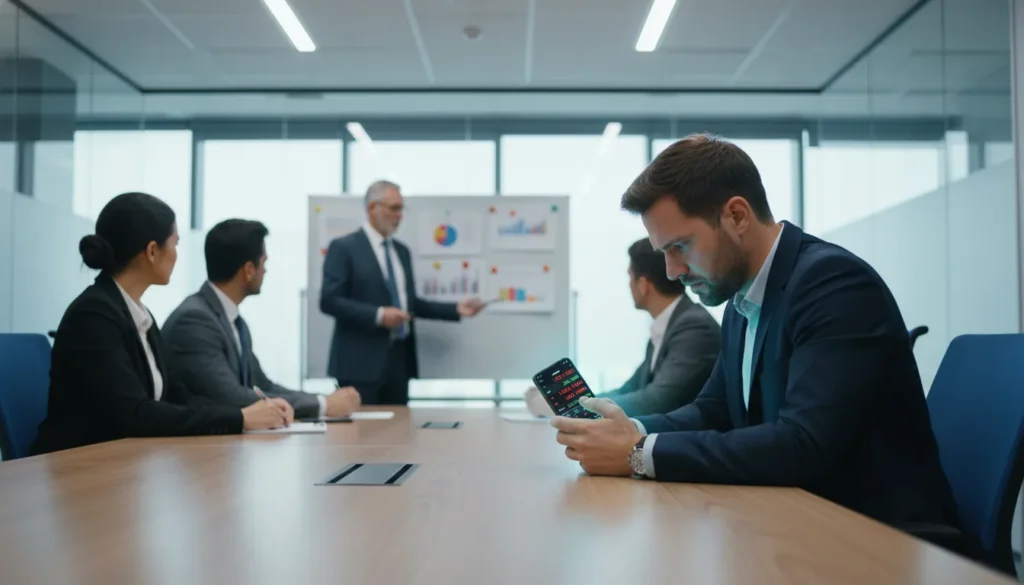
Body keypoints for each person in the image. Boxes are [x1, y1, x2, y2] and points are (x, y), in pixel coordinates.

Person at [550, 134, 959, 529]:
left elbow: (804, 444)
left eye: (680, 246)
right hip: (794, 519)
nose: (672, 272)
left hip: (875, 537)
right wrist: (630, 432)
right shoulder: (742, 300)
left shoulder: (833, 285)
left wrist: (637, 454)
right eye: (664, 254)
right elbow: (714, 409)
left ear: (737, 216)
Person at [31, 193, 290, 455]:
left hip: (126, 462)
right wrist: (240, 419)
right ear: (153, 251)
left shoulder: (138, 315)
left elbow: (179, 397)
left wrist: (242, 415)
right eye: (174, 244)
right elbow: (134, 413)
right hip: (81, 469)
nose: (176, 255)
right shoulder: (94, 316)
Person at [162, 219, 361, 420]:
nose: (265, 270)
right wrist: (323, 405)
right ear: (249, 270)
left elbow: (264, 386)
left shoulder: (233, 320)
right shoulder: (194, 321)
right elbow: (231, 396)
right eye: (264, 262)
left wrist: (322, 399)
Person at [320, 180, 485, 405]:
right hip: (358, 364)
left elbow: (409, 305)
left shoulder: (401, 251)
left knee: (399, 435)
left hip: (399, 361)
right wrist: (379, 315)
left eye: (401, 209)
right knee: (359, 437)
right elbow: (329, 300)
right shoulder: (344, 248)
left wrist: (456, 309)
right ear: (372, 208)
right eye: (394, 208)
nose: (400, 216)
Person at [524, 237, 720, 417]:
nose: (629, 286)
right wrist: (566, 401)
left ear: (643, 285)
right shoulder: (670, 323)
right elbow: (628, 390)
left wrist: (567, 409)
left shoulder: (693, 327)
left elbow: (655, 402)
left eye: (630, 279)